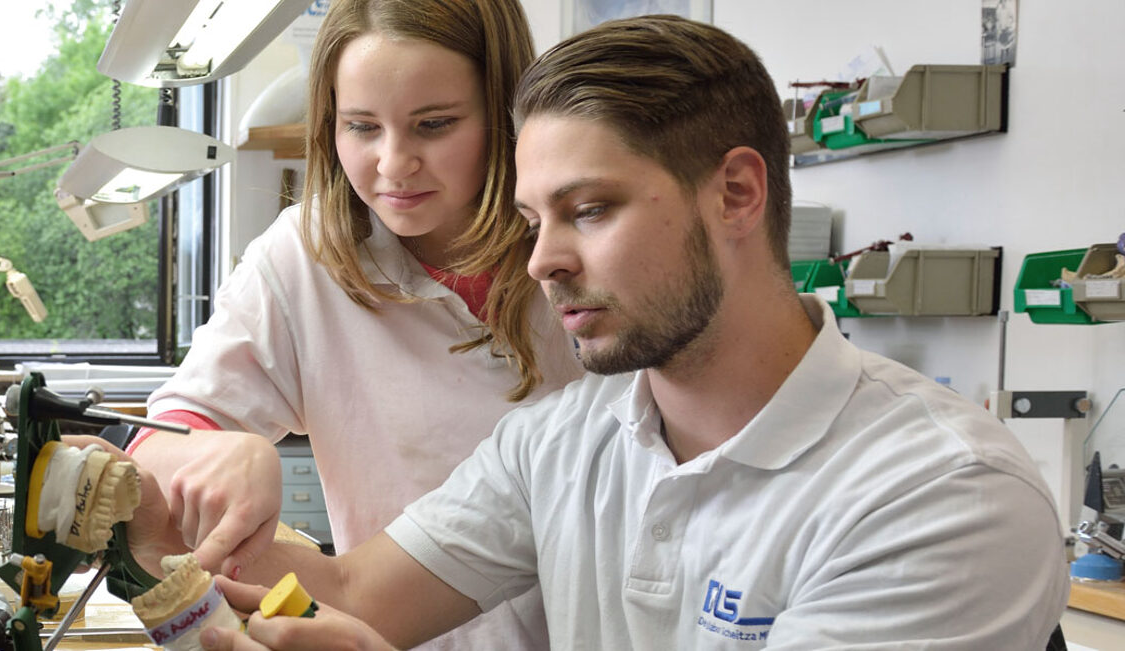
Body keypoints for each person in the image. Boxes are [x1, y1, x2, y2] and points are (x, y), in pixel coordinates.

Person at [169, 15, 1070, 650]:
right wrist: (199, 502)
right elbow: (361, 592)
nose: (539, 262)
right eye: (532, 218)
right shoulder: (560, 444)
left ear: (738, 193)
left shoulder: (943, 495)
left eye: (589, 210)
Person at [127, 0, 584, 648]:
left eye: (434, 125)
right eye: (362, 126)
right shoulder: (307, 256)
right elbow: (158, 441)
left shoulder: (582, 255)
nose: (394, 164)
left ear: (504, 112)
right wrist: (221, 451)